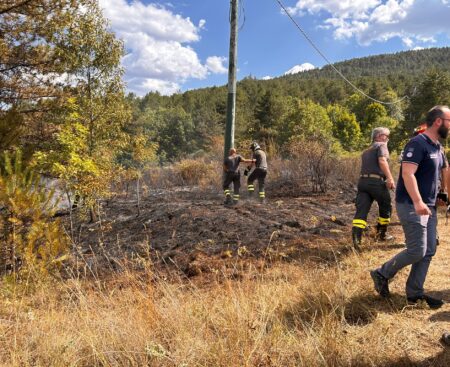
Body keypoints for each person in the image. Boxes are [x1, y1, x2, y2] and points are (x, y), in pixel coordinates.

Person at [370, 105, 450, 309]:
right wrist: (418, 201)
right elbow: (408, 173)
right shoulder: (418, 143)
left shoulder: (437, 147)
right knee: (417, 250)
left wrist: (442, 194)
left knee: (429, 249)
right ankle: (381, 273)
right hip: (411, 204)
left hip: (429, 206)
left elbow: (443, 170)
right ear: (439, 121)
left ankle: (414, 294)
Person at [351, 127, 396, 250]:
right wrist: (390, 178)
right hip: (376, 183)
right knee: (386, 206)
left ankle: (356, 241)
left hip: (363, 183)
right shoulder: (381, 145)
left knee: (361, 212)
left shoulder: (367, 150)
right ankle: (382, 235)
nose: (388, 138)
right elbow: (382, 161)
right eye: (386, 136)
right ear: (379, 136)